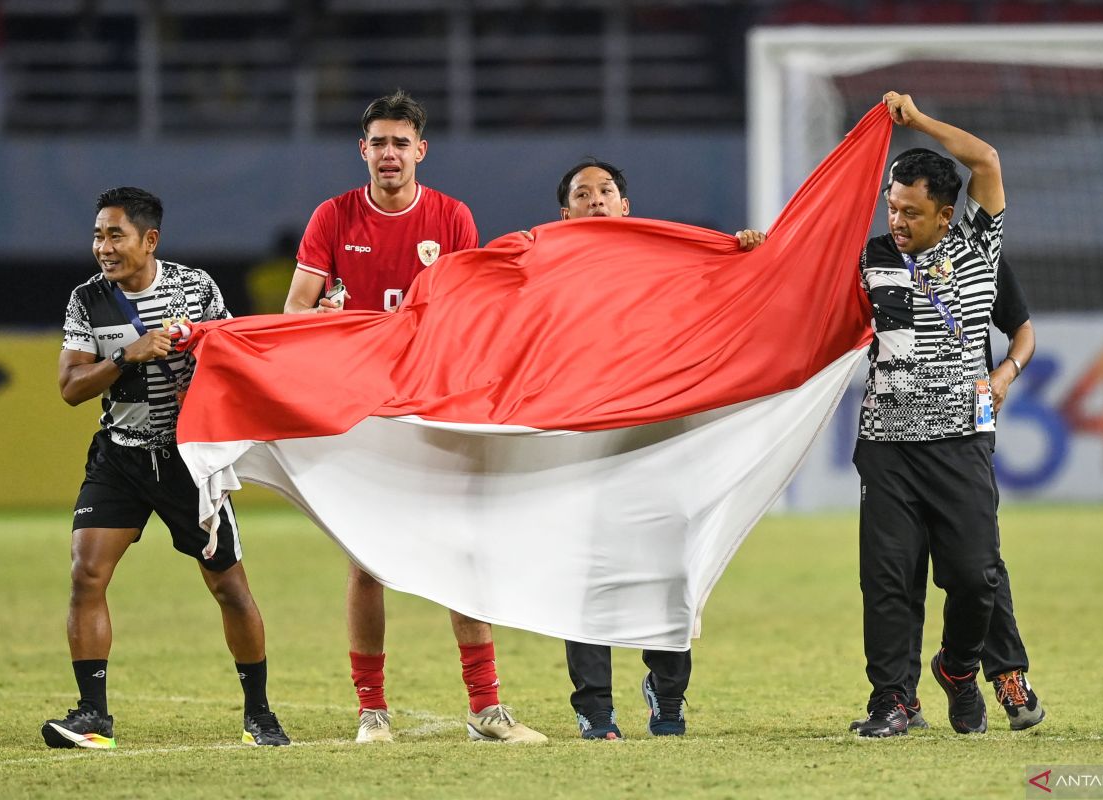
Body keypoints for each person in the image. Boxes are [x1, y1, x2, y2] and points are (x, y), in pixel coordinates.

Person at [283, 89, 545, 745]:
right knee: (366, 562)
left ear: (421, 150)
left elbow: (468, 310)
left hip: (434, 404)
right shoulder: (333, 217)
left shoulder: (451, 218)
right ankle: (372, 712)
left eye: (402, 142)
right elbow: (293, 316)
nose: (390, 154)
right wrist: (332, 323)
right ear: (362, 149)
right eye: (379, 142)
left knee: (461, 550)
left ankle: (486, 709)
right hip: (363, 410)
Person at [45, 187, 289, 749]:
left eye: (115, 235)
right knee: (86, 573)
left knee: (229, 588)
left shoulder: (194, 288)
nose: (102, 248)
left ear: (149, 239)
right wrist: (126, 355)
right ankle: (93, 718)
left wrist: (196, 366)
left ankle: (260, 716)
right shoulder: (88, 300)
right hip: (121, 455)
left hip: (186, 461)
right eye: (97, 235)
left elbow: (232, 358)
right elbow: (69, 388)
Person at [553, 158, 764, 740]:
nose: (595, 199)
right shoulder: (543, 275)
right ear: (563, 213)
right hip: (581, 443)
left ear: (627, 208)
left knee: (668, 571)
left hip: (662, 443)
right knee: (587, 575)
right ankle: (595, 707)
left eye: (607, 191)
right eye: (582, 193)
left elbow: (727, 299)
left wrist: (748, 257)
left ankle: (667, 695)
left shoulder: (667, 265)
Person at [848, 150, 1046, 734]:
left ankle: (965, 668)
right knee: (887, 575)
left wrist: (1005, 374)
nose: (897, 221)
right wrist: (758, 248)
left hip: (964, 434)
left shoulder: (978, 251)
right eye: (892, 207)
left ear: (945, 214)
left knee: (977, 571)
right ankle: (893, 699)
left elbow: (1023, 328)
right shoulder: (870, 258)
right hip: (886, 443)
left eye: (911, 211)